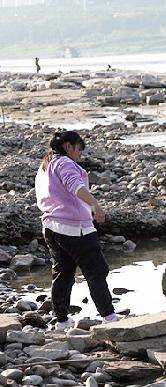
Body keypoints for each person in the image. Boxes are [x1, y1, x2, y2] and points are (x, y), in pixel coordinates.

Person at [35, 131, 118, 324]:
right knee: (96, 270)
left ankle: (61, 320)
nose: (80, 153)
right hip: (74, 228)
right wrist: (95, 205)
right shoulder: (64, 163)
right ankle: (109, 316)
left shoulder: (45, 166)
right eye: (79, 148)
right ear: (68, 146)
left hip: (51, 228)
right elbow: (75, 187)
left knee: (62, 273)